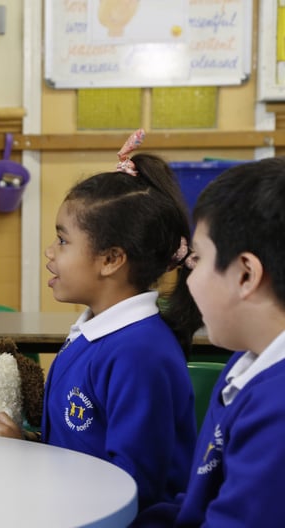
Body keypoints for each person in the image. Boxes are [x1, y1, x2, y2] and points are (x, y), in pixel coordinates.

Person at [0, 130, 203, 512]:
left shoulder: (139, 354)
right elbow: (80, 449)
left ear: (111, 259)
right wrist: (26, 443)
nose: (50, 253)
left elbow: (131, 487)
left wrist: (28, 462)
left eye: (63, 241)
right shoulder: (93, 334)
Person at [133, 157, 285, 527]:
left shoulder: (277, 408)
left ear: (246, 273)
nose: (189, 279)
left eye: (197, 259)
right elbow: (195, 504)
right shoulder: (245, 363)